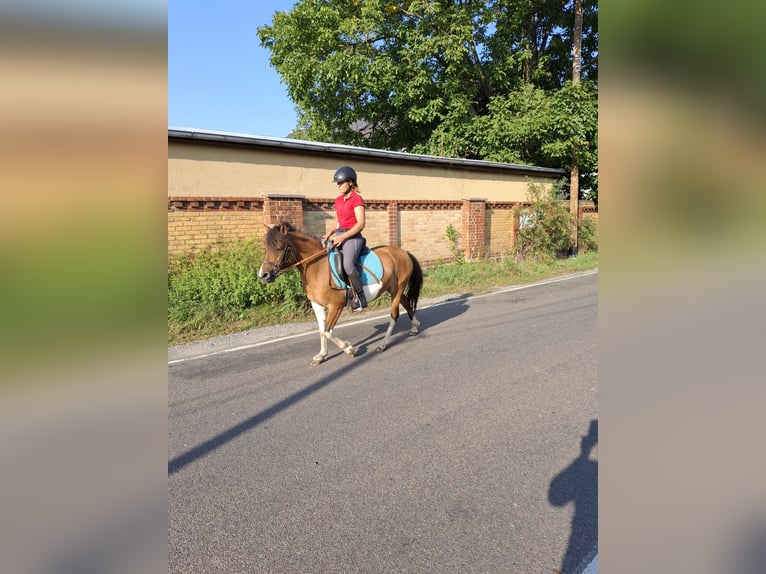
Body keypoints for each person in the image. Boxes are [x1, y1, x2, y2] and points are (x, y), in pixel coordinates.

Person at [321, 165, 368, 311]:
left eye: (341, 182)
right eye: (337, 183)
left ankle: (361, 298)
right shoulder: (338, 200)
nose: (338, 185)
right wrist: (328, 234)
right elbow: (338, 222)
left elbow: (361, 224)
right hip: (339, 235)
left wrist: (343, 238)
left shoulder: (357, 199)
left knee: (348, 265)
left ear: (350, 182)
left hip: (353, 237)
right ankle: (341, 293)